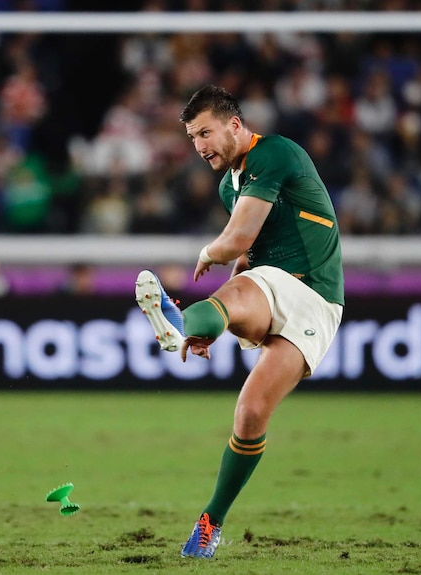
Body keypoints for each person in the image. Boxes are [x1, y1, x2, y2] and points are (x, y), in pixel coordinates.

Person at [135, 85, 344, 559]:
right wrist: (220, 318)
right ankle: (209, 526)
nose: (199, 145)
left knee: (251, 405)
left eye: (205, 132)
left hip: (314, 294)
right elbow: (247, 257)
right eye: (191, 137)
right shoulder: (230, 184)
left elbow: (236, 239)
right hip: (269, 284)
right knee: (246, 409)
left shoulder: (275, 153)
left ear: (234, 125)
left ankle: (184, 320)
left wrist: (208, 253)